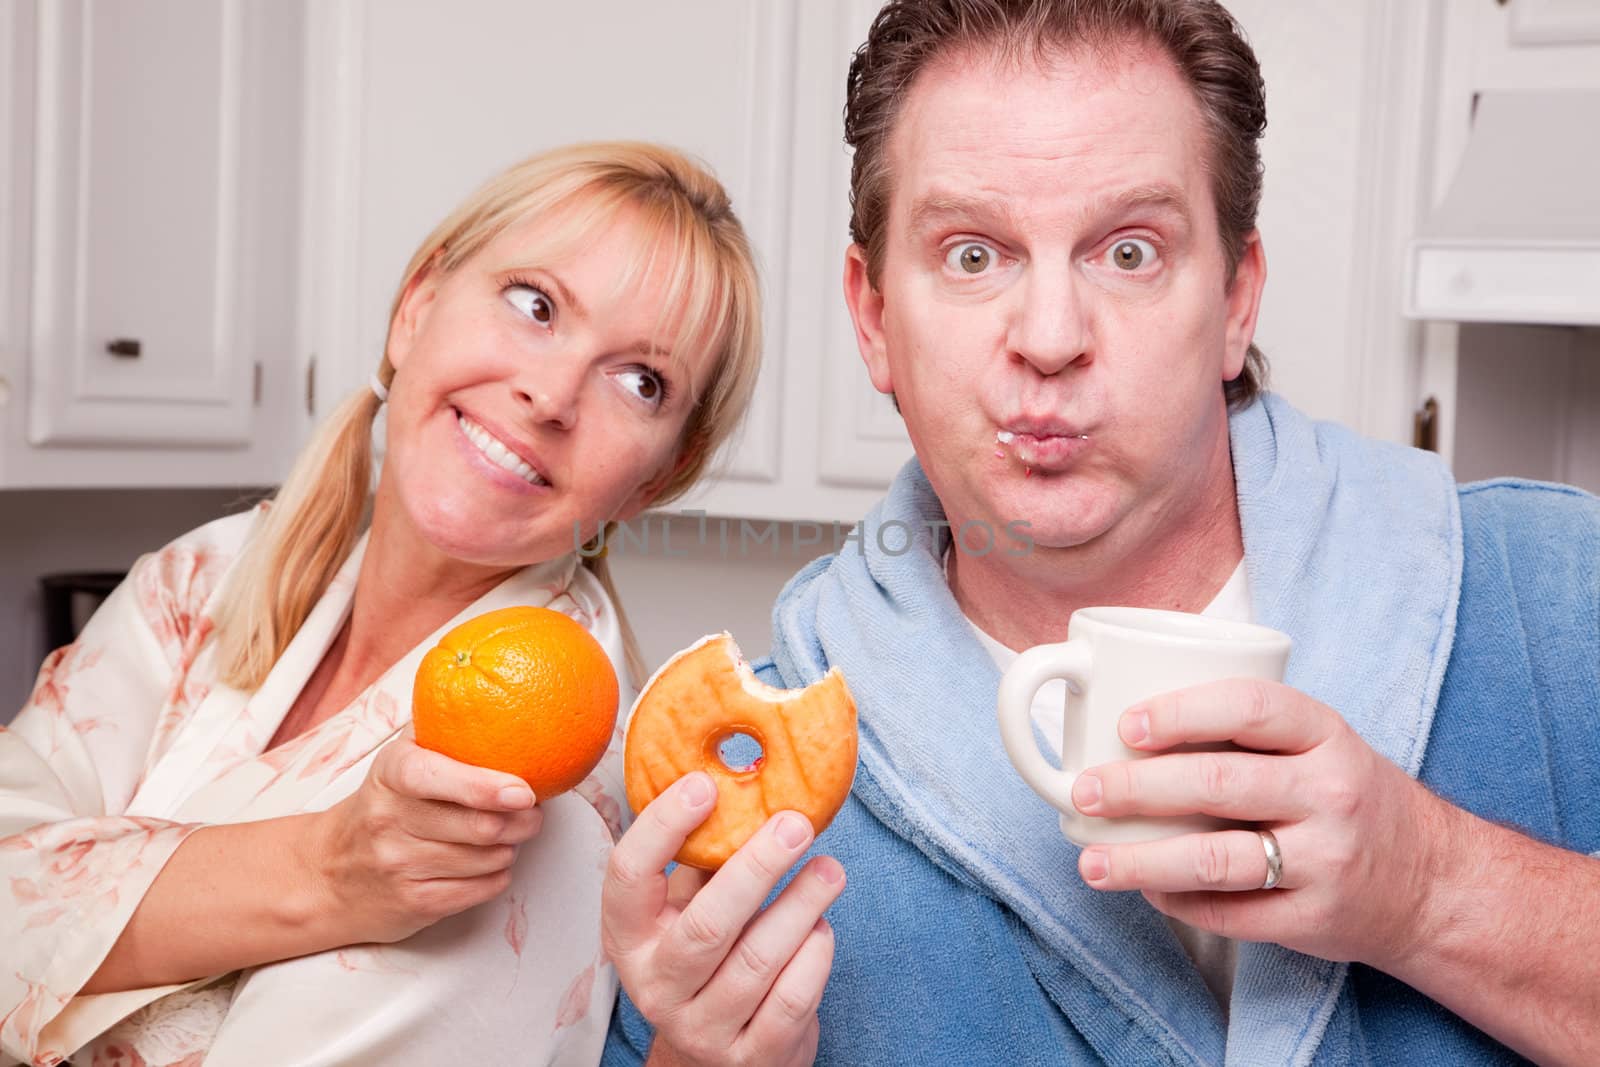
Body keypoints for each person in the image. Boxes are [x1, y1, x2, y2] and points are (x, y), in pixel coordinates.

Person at [599, 2, 1600, 1065]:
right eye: (972, 254)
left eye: (1128, 250)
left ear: (1234, 300)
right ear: (873, 316)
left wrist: (1428, 885)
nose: (1049, 338)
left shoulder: (1557, 597)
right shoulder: (752, 809)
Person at [0, 141, 761, 1066]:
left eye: (641, 380)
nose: (550, 394)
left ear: (656, 479)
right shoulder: (208, 573)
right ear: (416, 309)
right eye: (535, 305)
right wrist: (321, 872)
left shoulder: (537, 785)